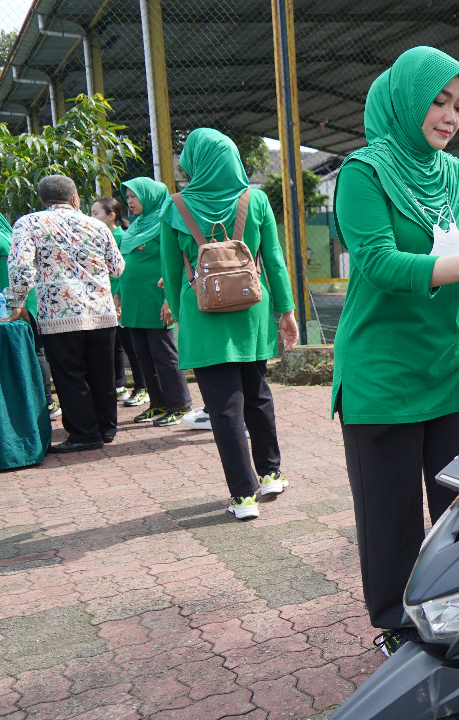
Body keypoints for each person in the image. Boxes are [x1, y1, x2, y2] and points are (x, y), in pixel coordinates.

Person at [331, 46, 459, 656]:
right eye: (437, 102)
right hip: (382, 370)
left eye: (458, 105)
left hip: (451, 366)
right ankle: (395, 624)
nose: (450, 116)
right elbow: (376, 262)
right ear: (407, 101)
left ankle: (457, 604)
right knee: (390, 514)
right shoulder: (363, 172)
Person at [160, 128, 299, 520]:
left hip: (204, 314)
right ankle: (271, 473)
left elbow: (171, 273)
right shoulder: (255, 200)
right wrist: (286, 311)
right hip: (252, 311)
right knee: (257, 394)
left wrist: (179, 312)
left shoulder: (174, 207)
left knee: (223, 408)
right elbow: (273, 259)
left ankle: (243, 497)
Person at [6, 174, 124, 452]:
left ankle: (85, 434)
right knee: (102, 371)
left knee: (70, 374)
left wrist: (17, 302)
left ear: (42, 199)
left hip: (58, 314)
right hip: (101, 312)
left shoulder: (29, 222)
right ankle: (106, 428)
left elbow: (20, 267)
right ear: (75, 199)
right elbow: (117, 266)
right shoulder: (97, 224)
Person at [121, 178, 193, 426]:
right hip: (133, 301)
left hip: (156, 299)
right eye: (128, 197)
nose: (130, 201)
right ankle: (158, 403)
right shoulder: (135, 226)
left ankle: (180, 405)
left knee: (163, 354)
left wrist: (169, 299)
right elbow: (124, 262)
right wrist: (119, 294)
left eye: (135, 196)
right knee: (142, 356)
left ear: (150, 197)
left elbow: (174, 262)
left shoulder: (165, 221)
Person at [0, 209, 55, 418]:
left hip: (10, 307)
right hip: (29, 302)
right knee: (36, 352)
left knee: (26, 354)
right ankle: (46, 403)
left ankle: (40, 403)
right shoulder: (6, 235)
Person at [90, 196, 148, 407]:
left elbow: (122, 272)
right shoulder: (96, 236)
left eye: (96, 213)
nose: (92, 217)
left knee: (130, 345)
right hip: (103, 300)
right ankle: (119, 386)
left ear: (111, 215)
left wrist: (118, 298)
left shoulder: (121, 237)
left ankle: (142, 387)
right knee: (113, 345)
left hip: (119, 297)